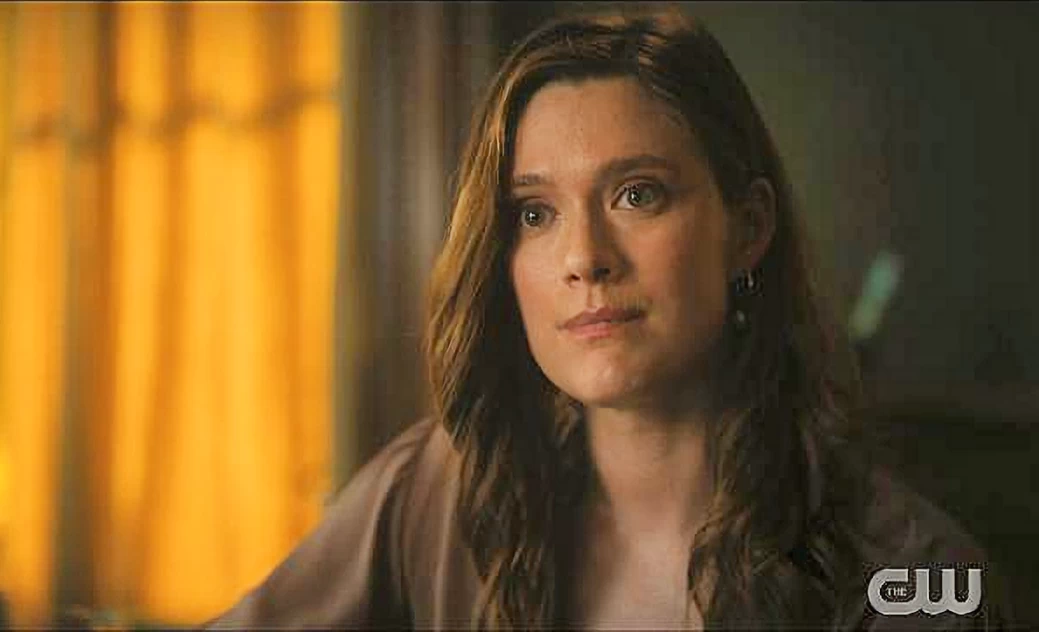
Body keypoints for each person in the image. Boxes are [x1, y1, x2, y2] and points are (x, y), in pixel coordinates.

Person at [205, 7, 1012, 630]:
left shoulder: (913, 575)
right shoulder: (437, 494)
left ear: (748, 228)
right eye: (533, 213)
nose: (583, 257)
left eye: (637, 194)